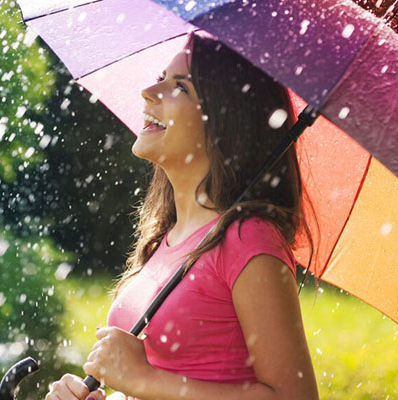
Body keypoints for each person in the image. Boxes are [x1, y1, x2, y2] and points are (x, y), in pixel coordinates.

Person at [45, 29, 320, 400]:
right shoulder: (168, 236)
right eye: (160, 77)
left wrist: (144, 380)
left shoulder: (249, 239)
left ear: (224, 123)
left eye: (179, 87)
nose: (148, 91)